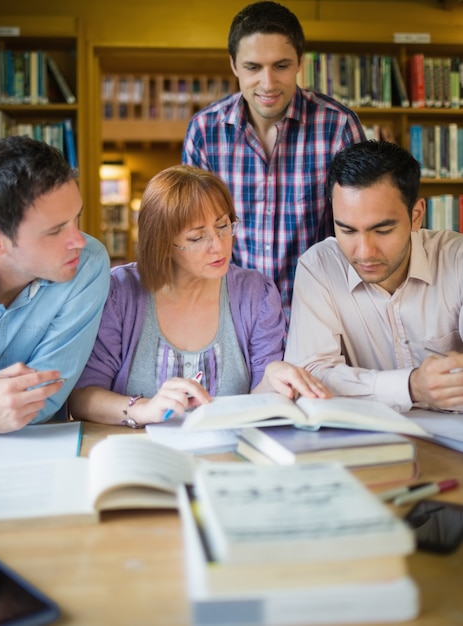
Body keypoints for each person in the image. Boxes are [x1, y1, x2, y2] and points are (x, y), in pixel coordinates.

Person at [69, 165, 329, 427]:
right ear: (162, 243)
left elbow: (258, 404)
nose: (218, 245)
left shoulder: (256, 295)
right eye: (197, 237)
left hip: (226, 455)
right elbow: (82, 398)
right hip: (140, 452)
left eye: (223, 226)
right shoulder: (120, 292)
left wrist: (271, 378)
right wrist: (146, 409)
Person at [182, 1, 366, 317]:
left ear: (299, 64)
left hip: (322, 315)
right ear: (234, 65)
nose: (267, 84)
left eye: (280, 66)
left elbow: (359, 228)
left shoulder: (337, 127)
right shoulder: (204, 132)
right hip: (232, 317)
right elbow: (194, 236)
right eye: (253, 67)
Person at [285, 139, 463, 413]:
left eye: (382, 231)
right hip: (368, 443)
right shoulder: (318, 267)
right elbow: (310, 376)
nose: (365, 252)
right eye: (347, 231)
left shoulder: (456, 259)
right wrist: (411, 386)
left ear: (416, 216)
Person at [0, 135, 110, 433]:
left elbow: (43, 398)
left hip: (37, 453)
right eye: (55, 231)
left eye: (77, 218)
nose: (79, 241)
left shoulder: (88, 264)